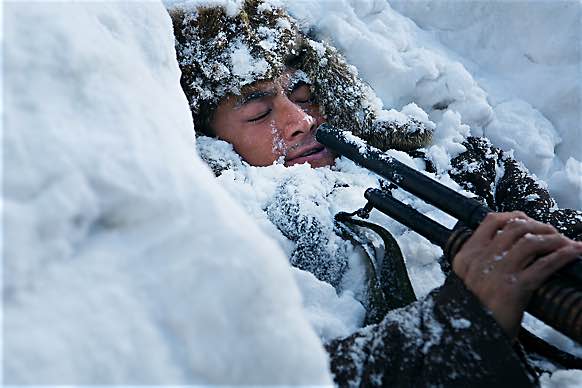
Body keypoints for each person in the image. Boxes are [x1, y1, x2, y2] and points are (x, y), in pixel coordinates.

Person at [170, 1, 582, 385]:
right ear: (212, 142)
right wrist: (460, 321)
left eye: (305, 96)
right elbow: (295, 374)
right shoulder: (239, 238)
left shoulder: (463, 161)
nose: (300, 121)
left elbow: (558, 230)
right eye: (259, 113)